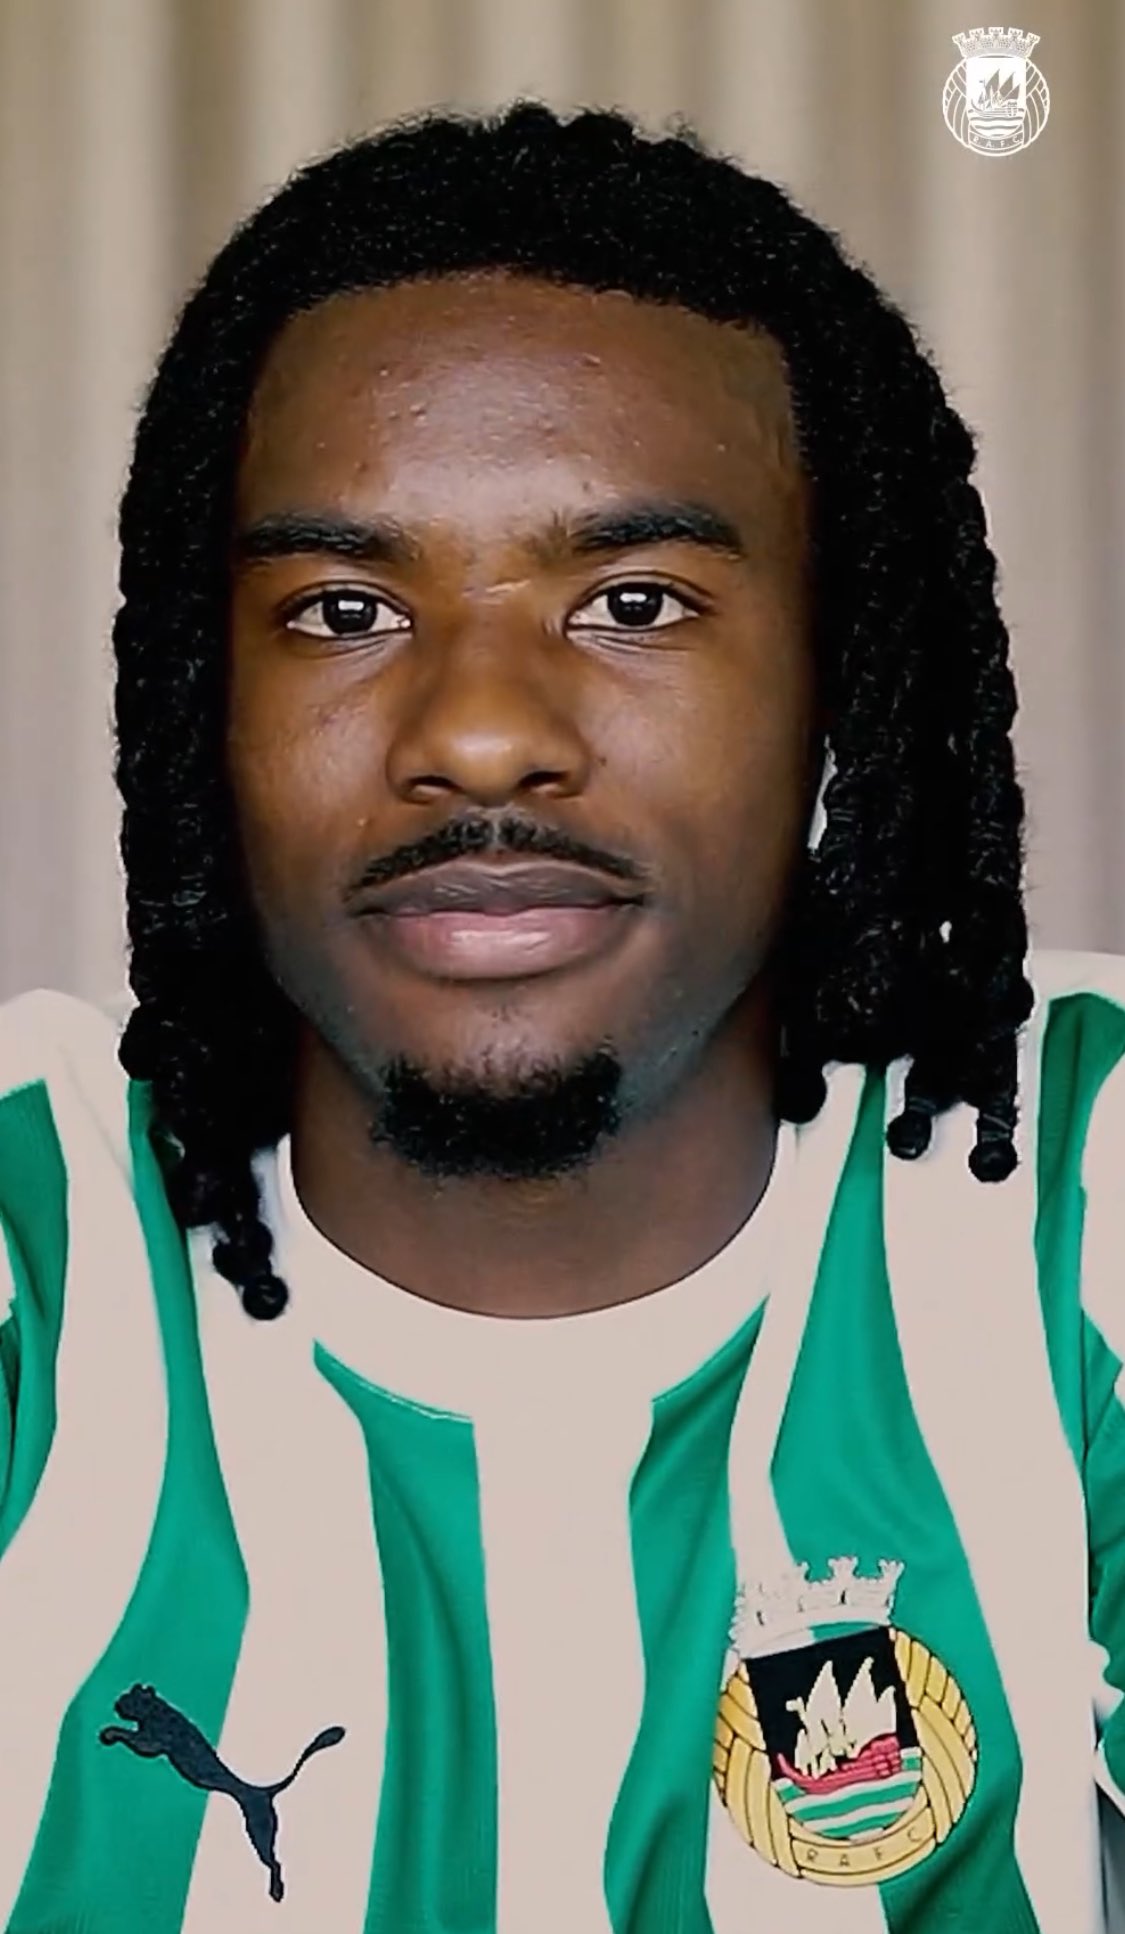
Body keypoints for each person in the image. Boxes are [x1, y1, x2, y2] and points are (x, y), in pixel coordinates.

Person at [0, 98, 1122, 1934]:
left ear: (836, 680)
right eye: (343, 609)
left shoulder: (1077, 1184)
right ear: (202, 700)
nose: (476, 734)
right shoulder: (33, 1241)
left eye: (632, 600)